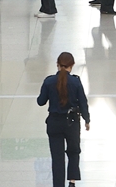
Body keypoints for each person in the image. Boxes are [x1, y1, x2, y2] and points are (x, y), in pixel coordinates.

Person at [37, 52, 90, 187]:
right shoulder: (76, 82)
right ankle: (72, 181)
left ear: (57, 65)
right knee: (73, 151)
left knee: (57, 158)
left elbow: (41, 101)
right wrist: (87, 120)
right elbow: (83, 102)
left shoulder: (49, 81)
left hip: (54, 123)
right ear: (71, 66)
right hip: (71, 122)